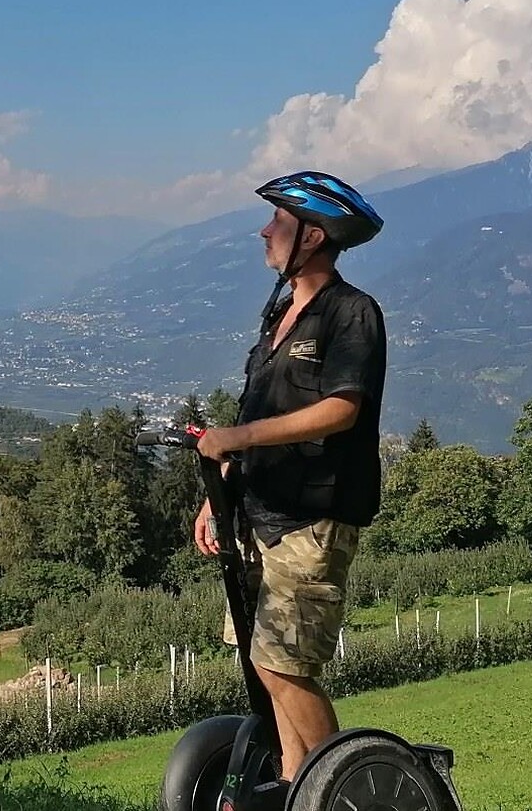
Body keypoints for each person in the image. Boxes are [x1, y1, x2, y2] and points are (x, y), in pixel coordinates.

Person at [193, 170, 387, 782]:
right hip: (260, 513)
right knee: (267, 662)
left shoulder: (351, 313)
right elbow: (260, 410)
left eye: (278, 220)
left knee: (283, 666)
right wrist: (220, 493)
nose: (265, 230)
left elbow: (341, 409)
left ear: (312, 236)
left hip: (313, 518)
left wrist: (238, 438)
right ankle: (296, 784)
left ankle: (352, 787)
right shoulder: (280, 313)